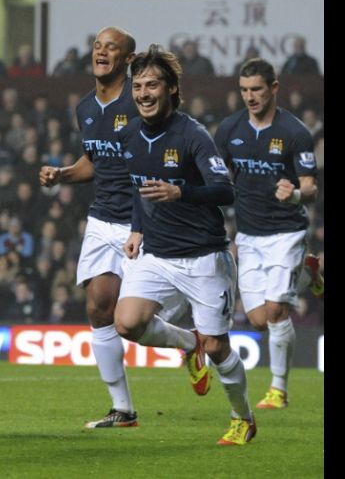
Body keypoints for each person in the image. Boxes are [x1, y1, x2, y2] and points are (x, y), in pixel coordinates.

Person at [39, 27, 187, 430]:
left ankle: (191, 342)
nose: (101, 52)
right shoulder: (86, 107)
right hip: (103, 218)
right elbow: (94, 161)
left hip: (144, 222)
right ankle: (123, 409)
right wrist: (62, 174)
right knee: (98, 309)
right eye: (97, 46)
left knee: (134, 321)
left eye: (111, 47)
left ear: (128, 59)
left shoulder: (140, 101)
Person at [115, 43, 255, 446]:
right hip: (157, 255)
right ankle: (188, 344)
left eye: (152, 85)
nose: (143, 93)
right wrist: (137, 228)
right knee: (127, 322)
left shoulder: (192, 135)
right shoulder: (130, 135)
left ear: (172, 88)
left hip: (204, 257)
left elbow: (225, 191)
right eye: (138, 86)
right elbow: (137, 186)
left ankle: (243, 418)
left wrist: (182, 192)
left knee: (218, 346)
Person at [214, 58, 323, 411]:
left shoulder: (294, 132)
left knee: (277, 311)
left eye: (257, 89)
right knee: (259, 319)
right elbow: (216, 175)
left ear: (274, 88)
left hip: (286, 232)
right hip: (248, 235)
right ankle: (309, 274)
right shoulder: (229, 130)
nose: (250, 96)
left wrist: (294, 194)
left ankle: (278, 389)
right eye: (244, 90)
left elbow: (311, 188)